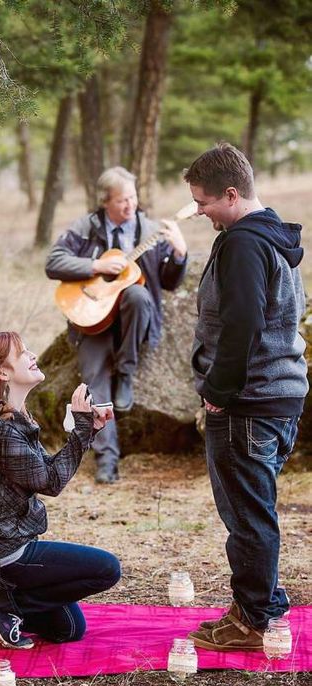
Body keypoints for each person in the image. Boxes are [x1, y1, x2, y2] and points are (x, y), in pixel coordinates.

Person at [163, 142, 308, 651]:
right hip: (280, 395)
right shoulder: (273, 235)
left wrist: (220, 392)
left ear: (231, 193)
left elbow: (244, 322)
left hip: (249, 402)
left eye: (203, 202)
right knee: (256, 508)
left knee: (247, 515)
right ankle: (260, 600)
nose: (199, 212)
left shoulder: (245, 243)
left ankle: (251, 622)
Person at [0, 331, 121, 649]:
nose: (32, 355)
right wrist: (80, 431)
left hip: (12, 544)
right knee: (107, 569)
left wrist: (86, 429)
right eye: (22, 353)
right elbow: (50, 483)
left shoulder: (16, 417)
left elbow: (43, 474)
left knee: (69, 630)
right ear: (2, 371)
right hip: (4, 553)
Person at [45, 167, 188, 484]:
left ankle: (126, 370)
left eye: (133, 198)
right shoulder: (86, 228)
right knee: (95, 386)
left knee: (137, 293)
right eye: (122, 200)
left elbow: (169, 281)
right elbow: (53, 262)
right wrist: (95, 265)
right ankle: (107, 460)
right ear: (105, 201)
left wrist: (179, 253)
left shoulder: (150, 230)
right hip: (94, 322)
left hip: (133, 326)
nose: (130, 205)